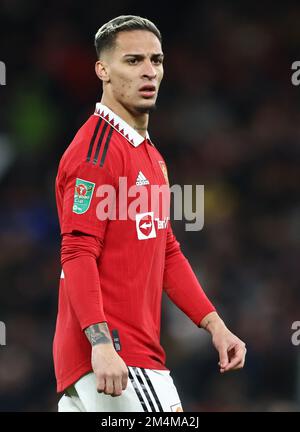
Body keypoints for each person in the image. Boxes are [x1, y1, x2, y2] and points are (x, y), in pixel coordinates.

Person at [53, 15, 246, 412]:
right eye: (133, 60)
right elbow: (77, 252)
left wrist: (214, 324)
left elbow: (167, 251)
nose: (148, 72)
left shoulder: (148, 154)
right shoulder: (97, 151)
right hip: (115, 355)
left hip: (119, 355)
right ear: (102, 70)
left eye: (156, 61)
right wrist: (102, 344)